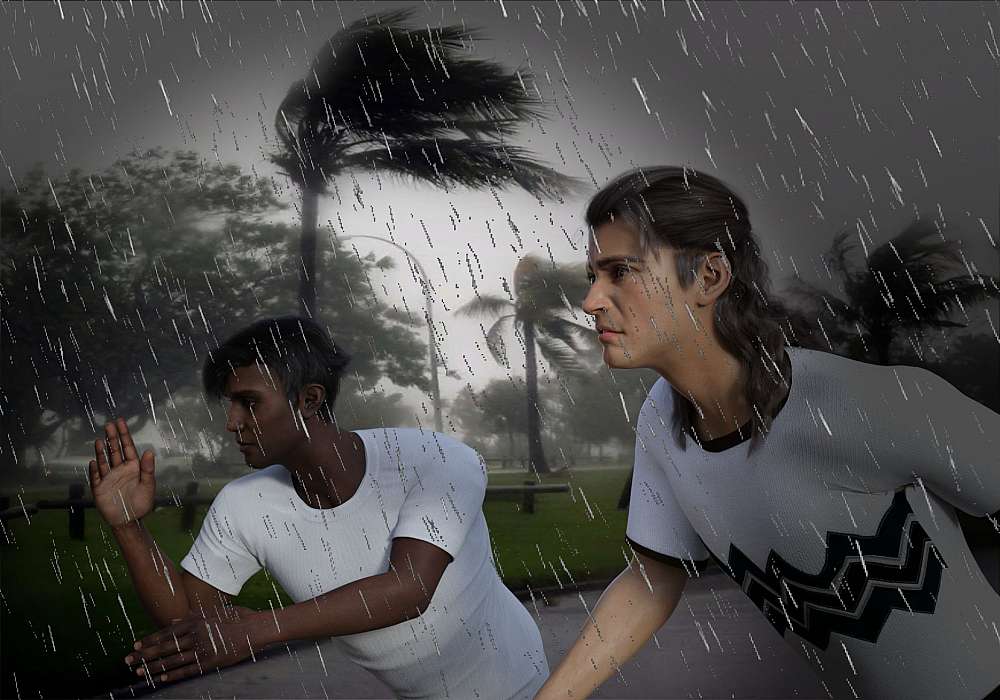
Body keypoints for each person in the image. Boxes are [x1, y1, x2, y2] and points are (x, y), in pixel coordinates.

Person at [536, 166, 1000, 700]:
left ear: (709, 277)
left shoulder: (862, 404)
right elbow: (651, 582)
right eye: (592, 276)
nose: (592, 300)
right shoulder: (661, 423)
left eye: (621, 272)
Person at [87, 316, 548, 699]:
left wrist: (257, 629)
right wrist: (129, 527)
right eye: (230, 404)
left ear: (309, 400)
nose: (231, 423)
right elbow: (190, 623)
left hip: (527, 685)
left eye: (249, 403)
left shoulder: (437, 459)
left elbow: (409, 589)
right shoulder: (244, 504)